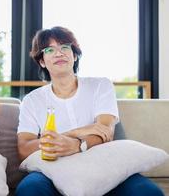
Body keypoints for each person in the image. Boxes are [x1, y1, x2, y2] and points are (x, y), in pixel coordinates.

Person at [16, 26, 164, 196]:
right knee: (29, 190)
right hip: (52, 170)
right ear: (41, 60)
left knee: (147, 192)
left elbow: (105, 132)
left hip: (104, 167)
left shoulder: (100, 86)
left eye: (65, 47)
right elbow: (24, 149)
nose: (59, 53)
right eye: (49, 49)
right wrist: (80, 132)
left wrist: (78, 145)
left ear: (75, 54)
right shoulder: (32, 100)